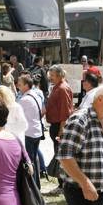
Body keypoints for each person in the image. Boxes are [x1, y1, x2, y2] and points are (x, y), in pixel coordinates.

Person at [46, 65, 74, 195]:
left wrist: (61, 131)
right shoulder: (58, 87)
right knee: (59, 155)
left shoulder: (62, 89)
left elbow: (65, 113)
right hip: (55, 125)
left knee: (61, 156)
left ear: (59, 75)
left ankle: (63, 185)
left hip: (59, 126)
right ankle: (62, 184)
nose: (50, 78)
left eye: (52, 75)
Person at [17, 75, 43, 189]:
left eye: (20, 84)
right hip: (36, 131)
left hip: (28, 133)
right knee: (34, 159)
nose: (18, 86)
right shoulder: (36, 95)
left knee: (29, 162)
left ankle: (32, 188)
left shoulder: (24, 99)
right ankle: (36, 185)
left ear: (26, 85)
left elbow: (16, 115)